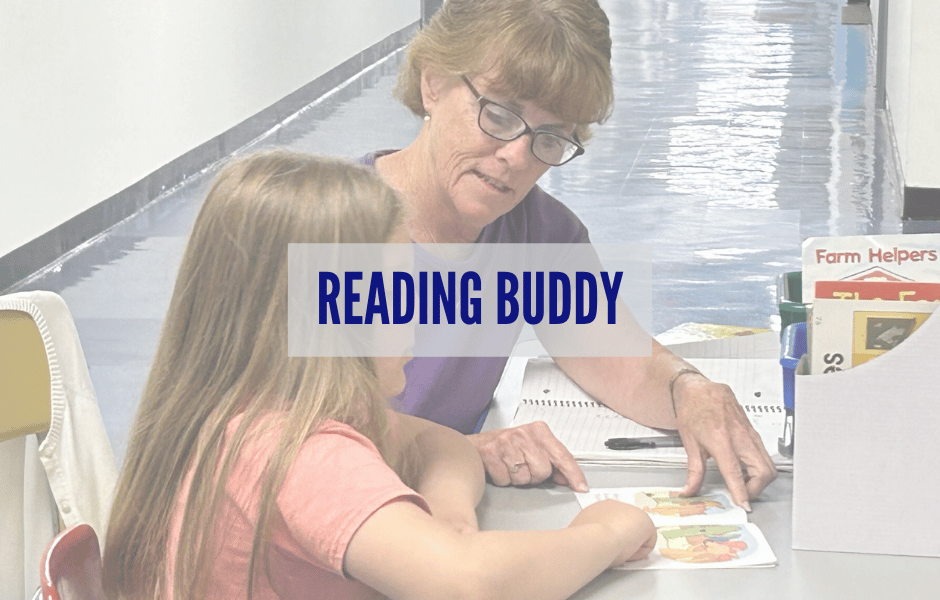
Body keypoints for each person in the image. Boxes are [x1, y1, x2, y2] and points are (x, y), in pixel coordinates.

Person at [102, 150, 656, 600]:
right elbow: (469, 584)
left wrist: (450, 522)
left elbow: (435, 443)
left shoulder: (258, 412)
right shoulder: (297, 452)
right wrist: (605, 534)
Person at [363, 0, 777, 510]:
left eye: (551, 137)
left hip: (438, 513)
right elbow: (280, 436)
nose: (517, 156)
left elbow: (622, 361)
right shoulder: (323, 227)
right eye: (497, 114)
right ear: (434, 83)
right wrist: (452, 450)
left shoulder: (538, 235)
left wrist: (690, 390)